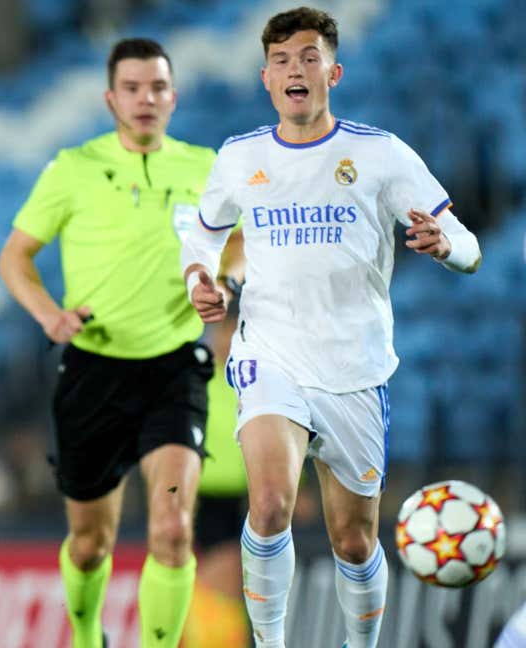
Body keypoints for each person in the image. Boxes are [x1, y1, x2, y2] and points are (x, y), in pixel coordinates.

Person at [180, 8, 482, 648]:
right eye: (284, 60)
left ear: (333, 72)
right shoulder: (240, 157)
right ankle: (271, 643)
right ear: (266, 78)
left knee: (354, 539)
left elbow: (468, 244)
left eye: (309, 57)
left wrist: (444, 246)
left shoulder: (379, 154)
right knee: (267, 505)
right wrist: (199, 282)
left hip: (355, 367)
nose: (296, 69)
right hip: (271, 354)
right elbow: (202, 235)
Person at [0, 38, 241, 648]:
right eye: (132, 88)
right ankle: (86, 636)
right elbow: (15, 258)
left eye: (157, 88)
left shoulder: (206, 167)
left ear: (173, 97)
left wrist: (227, 283)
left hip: (176, 368)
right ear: (111, 98)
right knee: (89, 545)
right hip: (94, 367)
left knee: (173, 532)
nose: (145, 99)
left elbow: (239, 243)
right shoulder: (74, 168)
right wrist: (48, 315)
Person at [183, 308, 250, 648]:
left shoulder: (254, 378)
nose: (227, 340)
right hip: (207, 495)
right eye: (223, 331)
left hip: (250, 495)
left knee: (236, 580)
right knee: (222, 574)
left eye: (235, 332)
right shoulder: (195, 378)